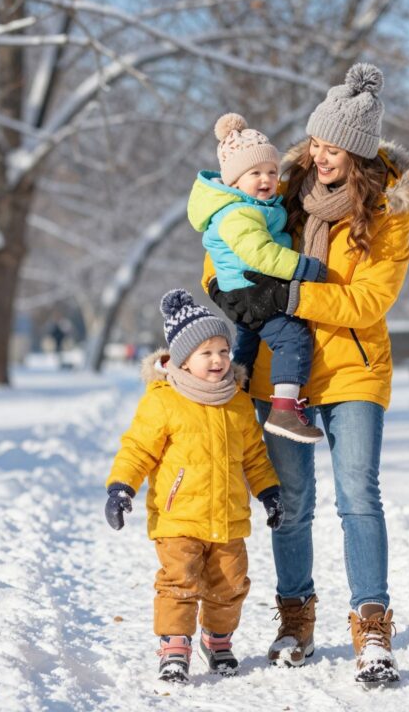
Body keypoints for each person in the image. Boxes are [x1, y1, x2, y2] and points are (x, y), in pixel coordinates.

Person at [204, 63, 409, 685]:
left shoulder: (388, 212)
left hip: (353, 369)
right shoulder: (280, 184)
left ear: (356, 153)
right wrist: (229, 295)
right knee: (291, 503)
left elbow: (367, 303)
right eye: (317, 143)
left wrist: (290, 299)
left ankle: (372, 624)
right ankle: (295, 619)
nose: (320, 156)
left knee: (358, 496)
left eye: (333, 148)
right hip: (281, 373)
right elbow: (223, 245)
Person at [103, 289, 285, 683]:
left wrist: (269, 492)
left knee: (230, 582)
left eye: (222, 350)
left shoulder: (236, 401)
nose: (218, 360)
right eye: (206, 353)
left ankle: (218, 640)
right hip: (178, 518)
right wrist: (121, 487)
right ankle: (174, 645)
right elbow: (137, 449)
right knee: (178, 582)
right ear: (183, 359)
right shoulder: (164, 401)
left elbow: (254, 456)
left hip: (228, 517)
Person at [187, 112, 327, 444]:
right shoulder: (238, 213)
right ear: (235, 181)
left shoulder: (250, 205)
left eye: (271, 172)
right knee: (291, 338)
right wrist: (304, 268)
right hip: (254, 290)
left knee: (248, 346)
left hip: (242, 290)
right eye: (255, 173)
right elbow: (261, 254)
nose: (266, 179)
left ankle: (237, 395)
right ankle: (284, 409)